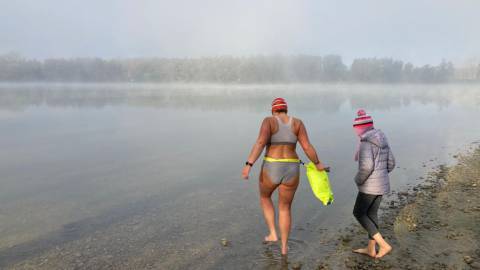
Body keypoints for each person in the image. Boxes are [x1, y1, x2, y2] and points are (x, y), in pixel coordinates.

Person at [241, 97, 327, 256]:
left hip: (272, 166)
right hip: (292, 168)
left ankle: (273, 233)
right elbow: (307, 146)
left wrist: (249, 164)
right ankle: (284, 248)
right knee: (285, 208)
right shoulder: (297, 123)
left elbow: (260, 142)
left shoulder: (269, 121)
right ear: (286, 109)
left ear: (273, 110)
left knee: (265, 198)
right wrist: (318, 164)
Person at [351, 109, 395, 259]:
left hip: (369, 186)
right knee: (371, 214)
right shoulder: (382, 139)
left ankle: (383, 245)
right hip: (381, 184)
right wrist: (381, 175)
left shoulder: (365, 143)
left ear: (359, 129)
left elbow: (366, 167)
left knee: (358, 213)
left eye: (356, 129)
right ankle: (371, 249)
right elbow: (392, 163)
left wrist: (357, 180)